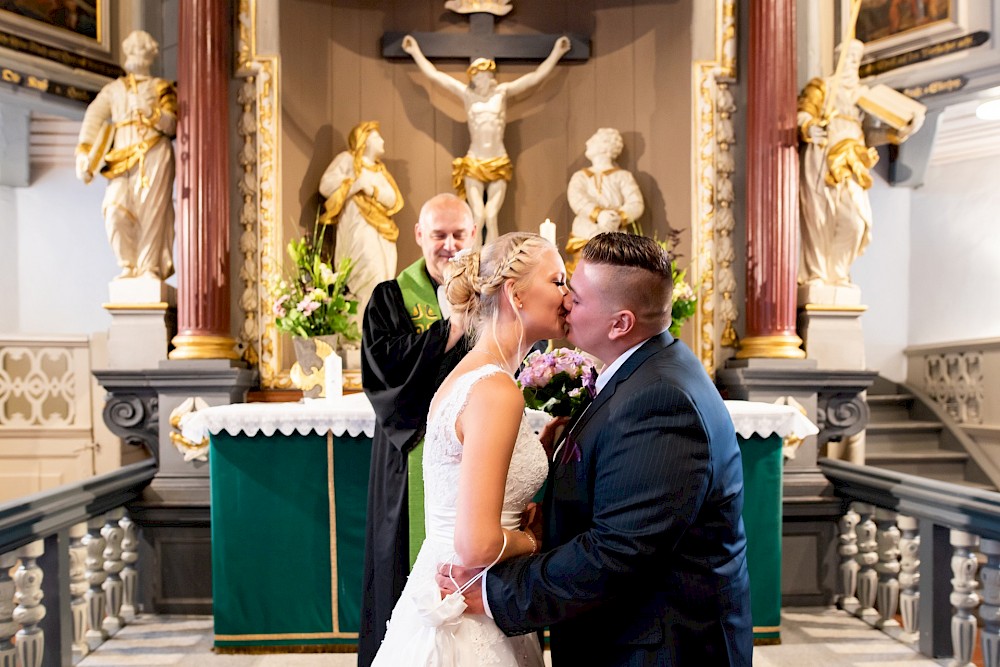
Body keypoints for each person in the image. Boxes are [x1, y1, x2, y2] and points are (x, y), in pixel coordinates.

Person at [439, 232, 753, 665]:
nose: (566, 301)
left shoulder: (662, 400)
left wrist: (496, 591)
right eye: (562, 285)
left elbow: (617, 553)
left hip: (657, 647)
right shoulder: (644, 373)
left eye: (578, 296)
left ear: (620, 323)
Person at [372, 231, 569, 666]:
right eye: (557, 281)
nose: (568, 294)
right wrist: (534, 540)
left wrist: (542, 445)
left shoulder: (469, 376)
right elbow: (477, 544)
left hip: (450, 582)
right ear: (516, 294)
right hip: (470, 598)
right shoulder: (496, 390)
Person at [358, 193, 476, 666]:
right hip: (408, 453)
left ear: (474, 235)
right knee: (401, 569)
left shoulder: (488, 295)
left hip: (471, 453)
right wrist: (450, 328)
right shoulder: (390, 296)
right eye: (439, 235)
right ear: (419, 236)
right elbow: (382, 371)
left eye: (459, 235)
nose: (448, 245)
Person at [402, 34, 572, 247]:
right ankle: (474, 262)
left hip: (498, 160)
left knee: (491, 216)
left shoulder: (502, 92)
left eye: (486, 74)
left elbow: (535, 77)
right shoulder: (467, 95)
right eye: (478, 76)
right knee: (478, 215)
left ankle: (490, 263)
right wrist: (414, 51)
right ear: (473, 78)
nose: (483, 79)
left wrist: (557, 52)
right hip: (474, 161)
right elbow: (435, 76)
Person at [797, 38, 923, 290]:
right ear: (839, 60)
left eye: (857, 60)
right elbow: (804, 113)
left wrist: (898, 133)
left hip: (854, 160)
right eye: (849, 58)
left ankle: (838, 272)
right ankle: (819, 274)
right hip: (825, 157)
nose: (853, 64)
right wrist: (809, 126)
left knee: (856, 221)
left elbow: (869, 135)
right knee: (822, 216)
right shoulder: (822, 87)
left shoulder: (860, 98)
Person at [75, 29, 177, 281]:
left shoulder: (161, 87)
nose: (137, 53)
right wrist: (84, 152)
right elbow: (93, 116)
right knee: (114, 208)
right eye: (132, 48)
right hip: (122, 153)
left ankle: (149, 268)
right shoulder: (114, 89)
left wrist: (152, 113)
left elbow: (173, 124)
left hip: (154, 151)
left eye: (142, 48)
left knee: (151, 211)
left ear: (151, 54)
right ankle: (128, 264)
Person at [319, 120, 403, 319]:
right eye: (376, 136)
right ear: (364, 140)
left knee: (383, 277)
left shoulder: (379, 170)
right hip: (359, 229)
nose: (382, 140)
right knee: (366, 274)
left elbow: (392, 199)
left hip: (382, 231)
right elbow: (326, 186)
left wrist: (372, 189)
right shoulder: (347, 160)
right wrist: (354, 185)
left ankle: (377, 332)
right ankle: (358, 332)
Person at [564, 127, 644, 273]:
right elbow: (576, 198)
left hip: (614, 232)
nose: (588, 143)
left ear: (605, 147)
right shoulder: (580, 176)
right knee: (582, 273)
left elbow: (636, 203)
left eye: (593, 140)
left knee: (612, 274)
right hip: (584, 232)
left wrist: (618, 217)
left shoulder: (623, 176)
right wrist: (598, 214)